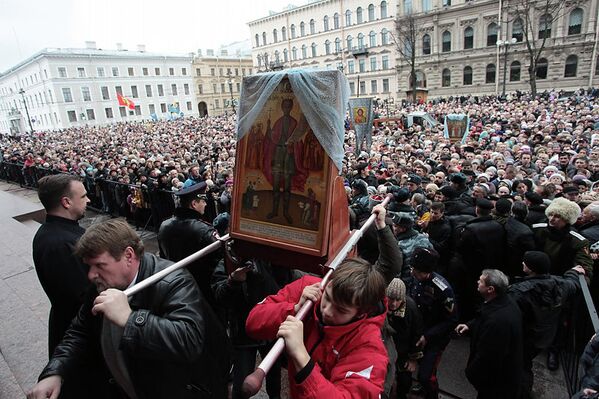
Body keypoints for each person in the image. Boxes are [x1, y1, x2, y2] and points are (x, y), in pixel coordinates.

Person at [27, 219, 231, 399]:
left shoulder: (173, 281)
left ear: (128, 255)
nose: (91, 275)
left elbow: (188, 340)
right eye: (89, 266)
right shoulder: (101, 285)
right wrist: (55, 372)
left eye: (99, 265)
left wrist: (130, 319)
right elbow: (80, 331)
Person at [245, 204, 402, 399]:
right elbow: (253, 322)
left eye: (341, 310)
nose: (326, 310)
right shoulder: (311, 287)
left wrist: (301, 356)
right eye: (327, 298)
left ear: (361, 312)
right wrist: (293, 309)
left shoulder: (369, 349)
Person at [31, 174, 92, 398]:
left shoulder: (59, 234)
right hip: (78, 334)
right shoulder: (58, 244)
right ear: (66, 202)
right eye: (83, 195)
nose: (89, 200)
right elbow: (81, 296)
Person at [507, 251, 584, 398]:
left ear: (531, 269)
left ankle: (521, 392)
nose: (523, 263)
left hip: (525, 336)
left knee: (520, 364)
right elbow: (573, 284)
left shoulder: (521, 292)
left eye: (526, 262)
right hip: (544, 336)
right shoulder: (559, 285)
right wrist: (574, 272)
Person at [455, 269, 523, 399]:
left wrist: (471, 372)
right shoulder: (502, 302)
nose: (477, 282)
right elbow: (484, 317)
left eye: (481, 281)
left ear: (490, 289)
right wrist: (470, 325)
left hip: (497, 384)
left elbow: (488, 356)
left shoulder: (498, 321)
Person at [158, 181, 222, 312]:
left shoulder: (164, 225)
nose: (205, 204)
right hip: (203, 289)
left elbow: (163, 256)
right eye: (202, 201)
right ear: (194, 204)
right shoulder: (204, 230)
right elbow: (219, 259)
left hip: (178, 286)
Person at [406, 248, 457, 399]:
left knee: (427, 376)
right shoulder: (415, 278)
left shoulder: (443, 290)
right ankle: (424, 387)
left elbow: (451, 320)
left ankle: (431, 394)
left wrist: (427, 336)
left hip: (435, 338)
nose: (412, 272)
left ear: (426, 271)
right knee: (421, 367)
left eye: (416, 270)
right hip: (419, 332)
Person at [263, 97, 305, 224]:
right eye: (284, 106)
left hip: (289, 156)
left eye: (288, 106)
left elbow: (298, 141)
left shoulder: (294, 123)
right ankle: (275, 210)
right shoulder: (278, 122)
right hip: (278, 155)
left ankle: (286, 212)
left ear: (291, 108)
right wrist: (269, 130)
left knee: (287, 187)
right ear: (282, 107)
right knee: (276, 185)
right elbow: (272, 138)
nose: (286, 108)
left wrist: (292, 145)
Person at [384, 278, 423, 399]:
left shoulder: (411, 309)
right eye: (391, 299)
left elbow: (417, 335)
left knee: (404, 383)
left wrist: (413, 359)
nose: (394, 303)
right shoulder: (380, 305)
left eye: (398, 300)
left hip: (403, 353)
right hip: (385, 351)